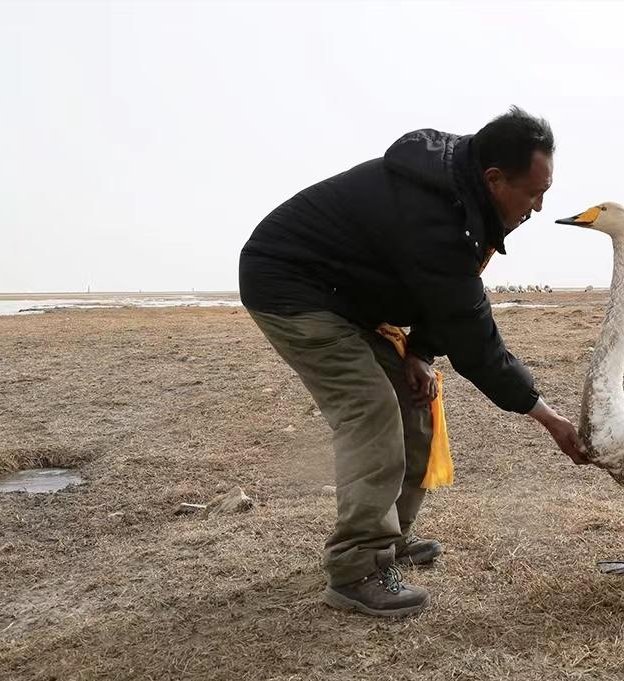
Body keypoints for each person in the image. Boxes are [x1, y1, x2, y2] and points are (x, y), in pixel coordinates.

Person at [238, 106, 586, 618]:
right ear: (494, 179)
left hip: (347, 295)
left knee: (415, 400)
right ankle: (356, 569)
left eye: (545, 193)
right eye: (533, 194)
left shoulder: (464, 201)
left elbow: (437, 293)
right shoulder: (437, 215)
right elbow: (474, 337)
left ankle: (391, 539)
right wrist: (548, 417)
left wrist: (419, 354)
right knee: (371, 410)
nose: (537, 207)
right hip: (291, 286)